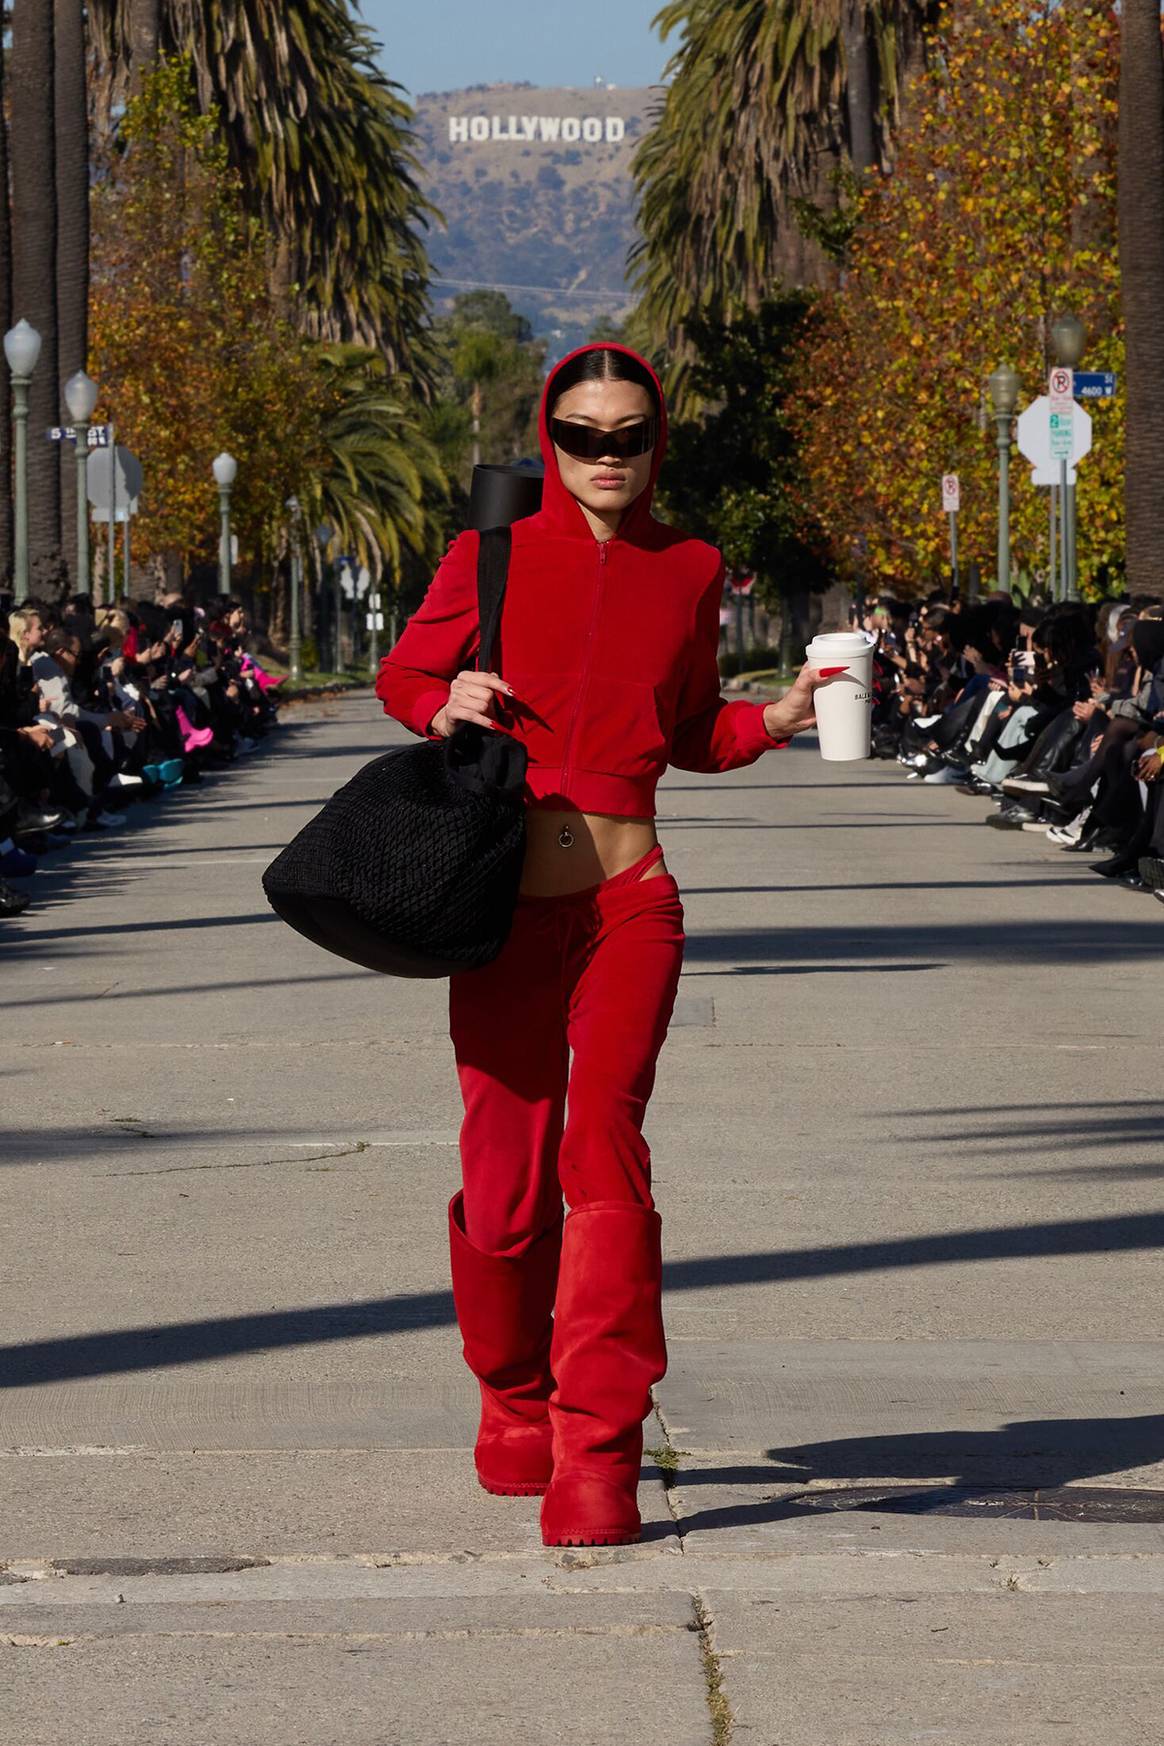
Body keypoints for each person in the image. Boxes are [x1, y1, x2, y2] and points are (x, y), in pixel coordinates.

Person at [375, 342, 834, 1548]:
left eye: (629, 435)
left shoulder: (689, 568)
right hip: (503, 916)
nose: (607, 458)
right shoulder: (489, 555)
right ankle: (510, 1393)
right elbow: (405, 671)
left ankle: (601, 1450)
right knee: (510, 1179)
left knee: (604, 1148)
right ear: (548, 438)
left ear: (657, 440)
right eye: (583, 436)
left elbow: (689, 729)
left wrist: (771, 720)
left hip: (633, 902)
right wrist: (444, 703)